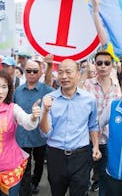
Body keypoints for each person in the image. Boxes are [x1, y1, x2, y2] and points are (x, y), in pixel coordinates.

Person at [40, 59, 101, 196]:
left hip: (81, 155)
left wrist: (96, 146)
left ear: (78, 74)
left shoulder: (89, 99)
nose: (64, 76)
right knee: (57, 192)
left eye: (68, 72)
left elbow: (93, 125)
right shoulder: (49, 99)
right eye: (60, 72)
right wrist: (45, 111)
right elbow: (45, 133)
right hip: (56, 155)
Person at [83, 51, 121, 194]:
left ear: (112, 65)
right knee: (83, 175)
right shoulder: (87, 85)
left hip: (109, 138)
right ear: (95, 64)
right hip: (87, 138)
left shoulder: (119, 86)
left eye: (107, 63)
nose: (103, 66)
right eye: (99, 63)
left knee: (105, 176)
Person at [14, 59, 54, 195]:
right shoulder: (17, 91)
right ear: (24, 71)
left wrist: (50, 65)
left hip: (39, 136)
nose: (31, 74)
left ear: (40, 72)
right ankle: (25, 190)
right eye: (28, 71)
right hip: (21, 136)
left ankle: (35, 182)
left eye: (35, 71)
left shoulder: (47, 90)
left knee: (39, 163)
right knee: (24, 166)